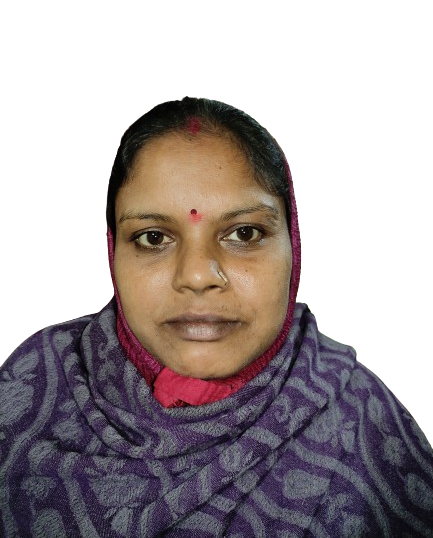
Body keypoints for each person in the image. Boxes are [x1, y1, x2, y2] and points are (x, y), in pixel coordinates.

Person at [1, 97, 432, 538]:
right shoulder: (30, 391)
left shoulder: (366, 430)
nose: (197, 275)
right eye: (153, 238)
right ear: (113, 250)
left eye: (244, 233)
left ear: (293, 245)